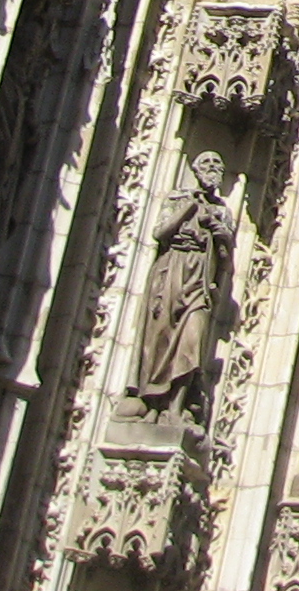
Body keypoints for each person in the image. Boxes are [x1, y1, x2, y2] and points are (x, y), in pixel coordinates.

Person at [128, 151, 232, 422]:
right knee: (160, 338)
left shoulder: (222, 212)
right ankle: (154, 404)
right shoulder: (177, 200)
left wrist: (221, 234)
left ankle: (177, 407)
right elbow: (160, 233)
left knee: (191, 340)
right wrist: (188, 209)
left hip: (200, 279)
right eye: (206, 163)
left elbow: (225, 260)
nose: (212, 167)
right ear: (195, 170)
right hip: (171, 272)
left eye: (217, 164)